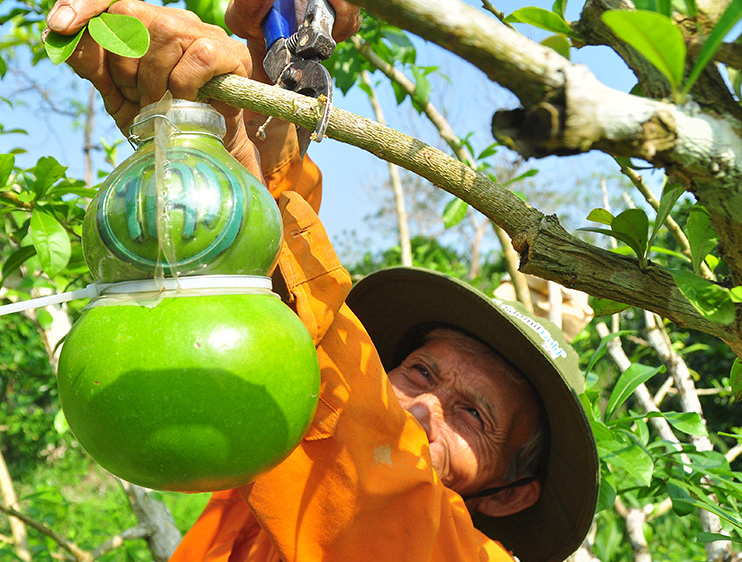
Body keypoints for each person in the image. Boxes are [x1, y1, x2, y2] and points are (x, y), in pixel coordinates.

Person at [44, 0, 599, 560]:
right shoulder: (262, 465)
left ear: (508, 495)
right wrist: (261, 91)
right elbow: (304, 364)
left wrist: (241, 165)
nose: (420, 409)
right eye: (419, 371)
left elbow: (355, 441)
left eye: (474, 416)